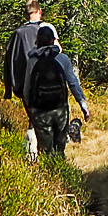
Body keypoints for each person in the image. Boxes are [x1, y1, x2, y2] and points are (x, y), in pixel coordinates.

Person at [21, 23, 88, 157]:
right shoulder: (62, 58)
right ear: (53, 41)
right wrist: (83, 105)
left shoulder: (33, 59)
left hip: (41, 112)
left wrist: (31, 108)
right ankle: (61, 174)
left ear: (37, 41)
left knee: (45, 150)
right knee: (59, 149)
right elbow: (73, 83)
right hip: (60, 110)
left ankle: (49, 175)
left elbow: (27, 87)